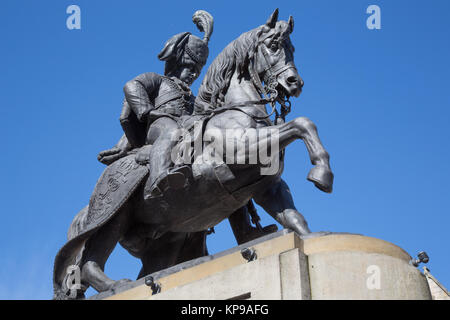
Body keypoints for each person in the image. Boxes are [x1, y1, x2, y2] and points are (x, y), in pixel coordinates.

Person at [98, 10, 213, 197]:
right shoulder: (158, 80)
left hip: (186, 130)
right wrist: (147, 112)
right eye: (190, 68)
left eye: (197, 72)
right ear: (177, 62)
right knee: (172, 131)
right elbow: (132, 85)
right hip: (157, 126)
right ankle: (160, 177)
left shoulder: (193, 97)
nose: (194, 74)